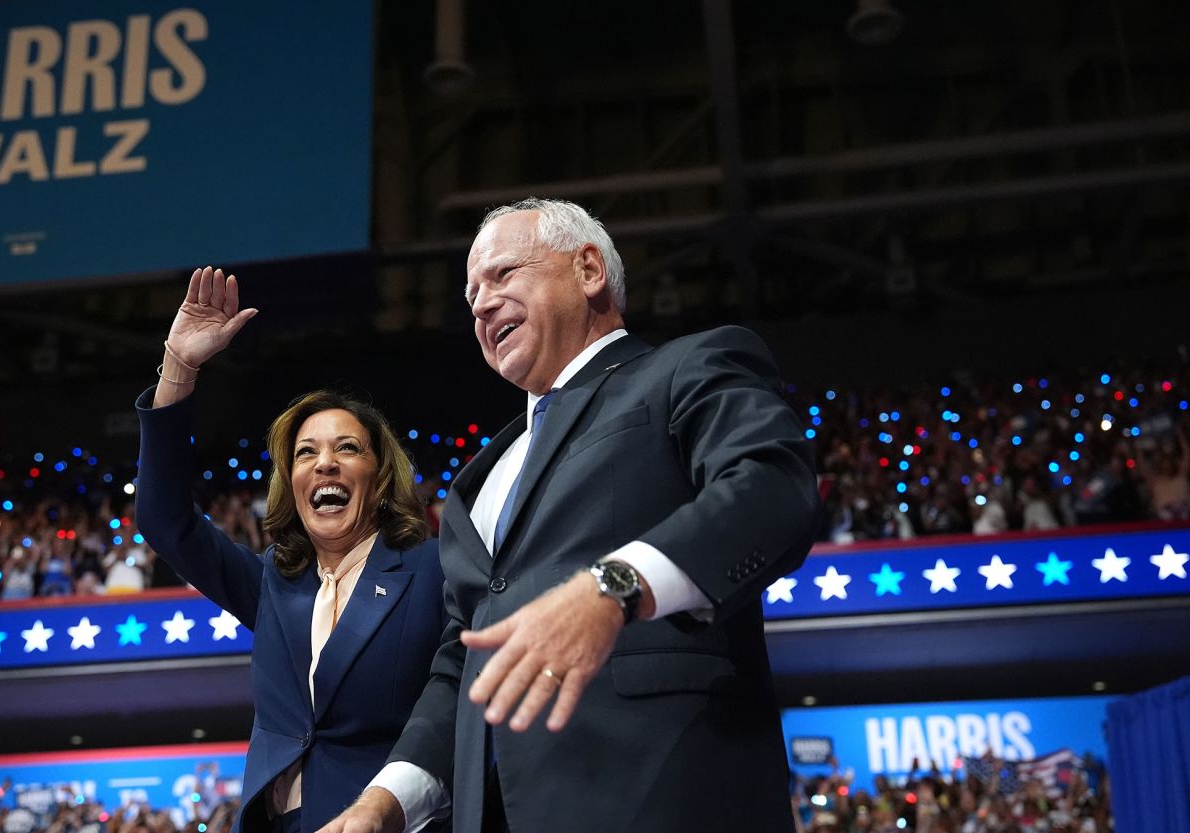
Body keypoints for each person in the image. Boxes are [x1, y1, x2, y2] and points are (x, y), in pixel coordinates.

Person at [324, 198, 822, 833]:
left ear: (588, 270)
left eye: (502, 275)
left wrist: (609, 589)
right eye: (471, 293)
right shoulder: (477, 481)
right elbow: (463, 663)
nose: (478, 304)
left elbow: (773, 488)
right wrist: (384, 802)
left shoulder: (684, 369)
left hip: (660, 796)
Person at [135, 267, 447, 833]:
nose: (324, 462)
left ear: (378, 478)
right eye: (305, 453)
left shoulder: (432, 570)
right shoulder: (272, 582)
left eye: (347, 448)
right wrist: (179, 369)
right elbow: (164, 519)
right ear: (292, 481)